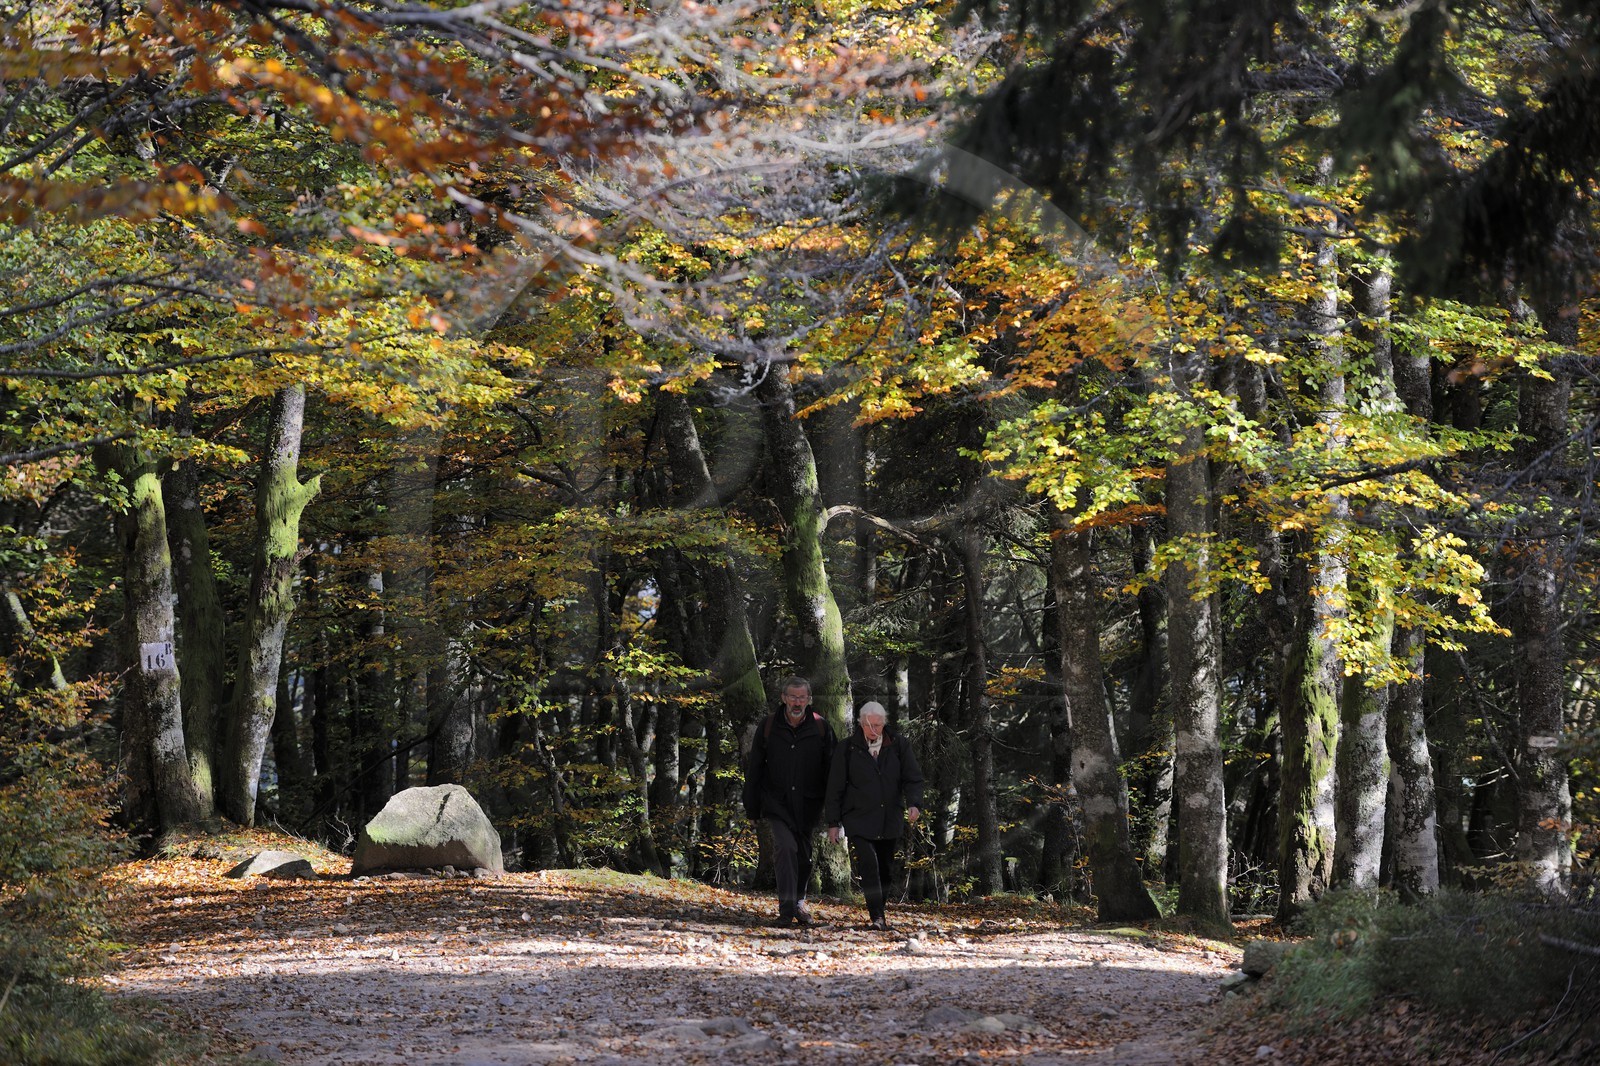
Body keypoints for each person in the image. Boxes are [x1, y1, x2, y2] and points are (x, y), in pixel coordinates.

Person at [742, 676, 836, 927]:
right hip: (777, 803)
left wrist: (835, 813)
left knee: (804, 856)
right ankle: (785, 911)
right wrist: (751, 806)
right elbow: (755, 769)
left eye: (802, 697)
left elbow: (833, 773)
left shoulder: (821, 727)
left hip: (809, 805)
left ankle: (798, 902)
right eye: (792, 697)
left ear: (809, 699)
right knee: (785, 848)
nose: (797, 702)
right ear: (783, 698)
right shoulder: (769, 726)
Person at [825, 701, 924, 931]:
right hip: (858, 818)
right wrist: (833, 822)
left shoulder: (899, 745)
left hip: (890, 818)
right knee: (869, 865)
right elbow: (835, 787)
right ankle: (877, 917)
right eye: (869, 725)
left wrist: (915, 804)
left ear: (884, 723)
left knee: (886, 869)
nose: (874, 730)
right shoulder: (847, 748)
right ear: (860, 723)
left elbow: (913, 777)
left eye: (878, 725)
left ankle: (879, 910)